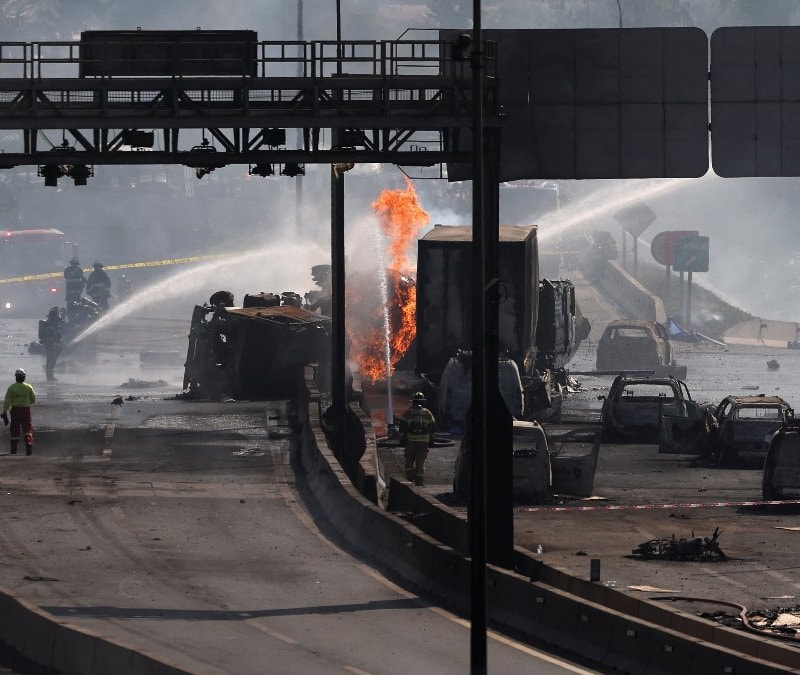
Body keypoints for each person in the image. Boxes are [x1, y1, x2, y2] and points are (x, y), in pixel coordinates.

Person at [398, 391, 436, 486]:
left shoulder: (408, 413)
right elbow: (432, 427)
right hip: (423, 443)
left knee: (409, 461)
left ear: (413, 402)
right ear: (423, 402)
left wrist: (401, 440)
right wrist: (432, 440)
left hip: (410, 442)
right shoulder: (427, 413)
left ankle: (410, 480)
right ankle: (419, 483)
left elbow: (402, 428)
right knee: (420, 463)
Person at [2, 368, 36, 455]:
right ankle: (28, 444)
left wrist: (4, 412)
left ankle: (13, 450)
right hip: (25, 411)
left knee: (14, 430)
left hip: (15, 411)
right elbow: (33, 399)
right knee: (27, 429)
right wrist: (26, 401)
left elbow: (7, 401)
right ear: (24, 377)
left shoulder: (12, 388)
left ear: (16, 377)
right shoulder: (28, 387)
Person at [39, 306, 64, 382]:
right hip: (50, 344)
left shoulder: (53, 323)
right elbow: (50, 334)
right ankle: (49, 377)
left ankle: (51, 376)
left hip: (52, 344)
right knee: (50, 360)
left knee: (52, 361)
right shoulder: (51, 324)